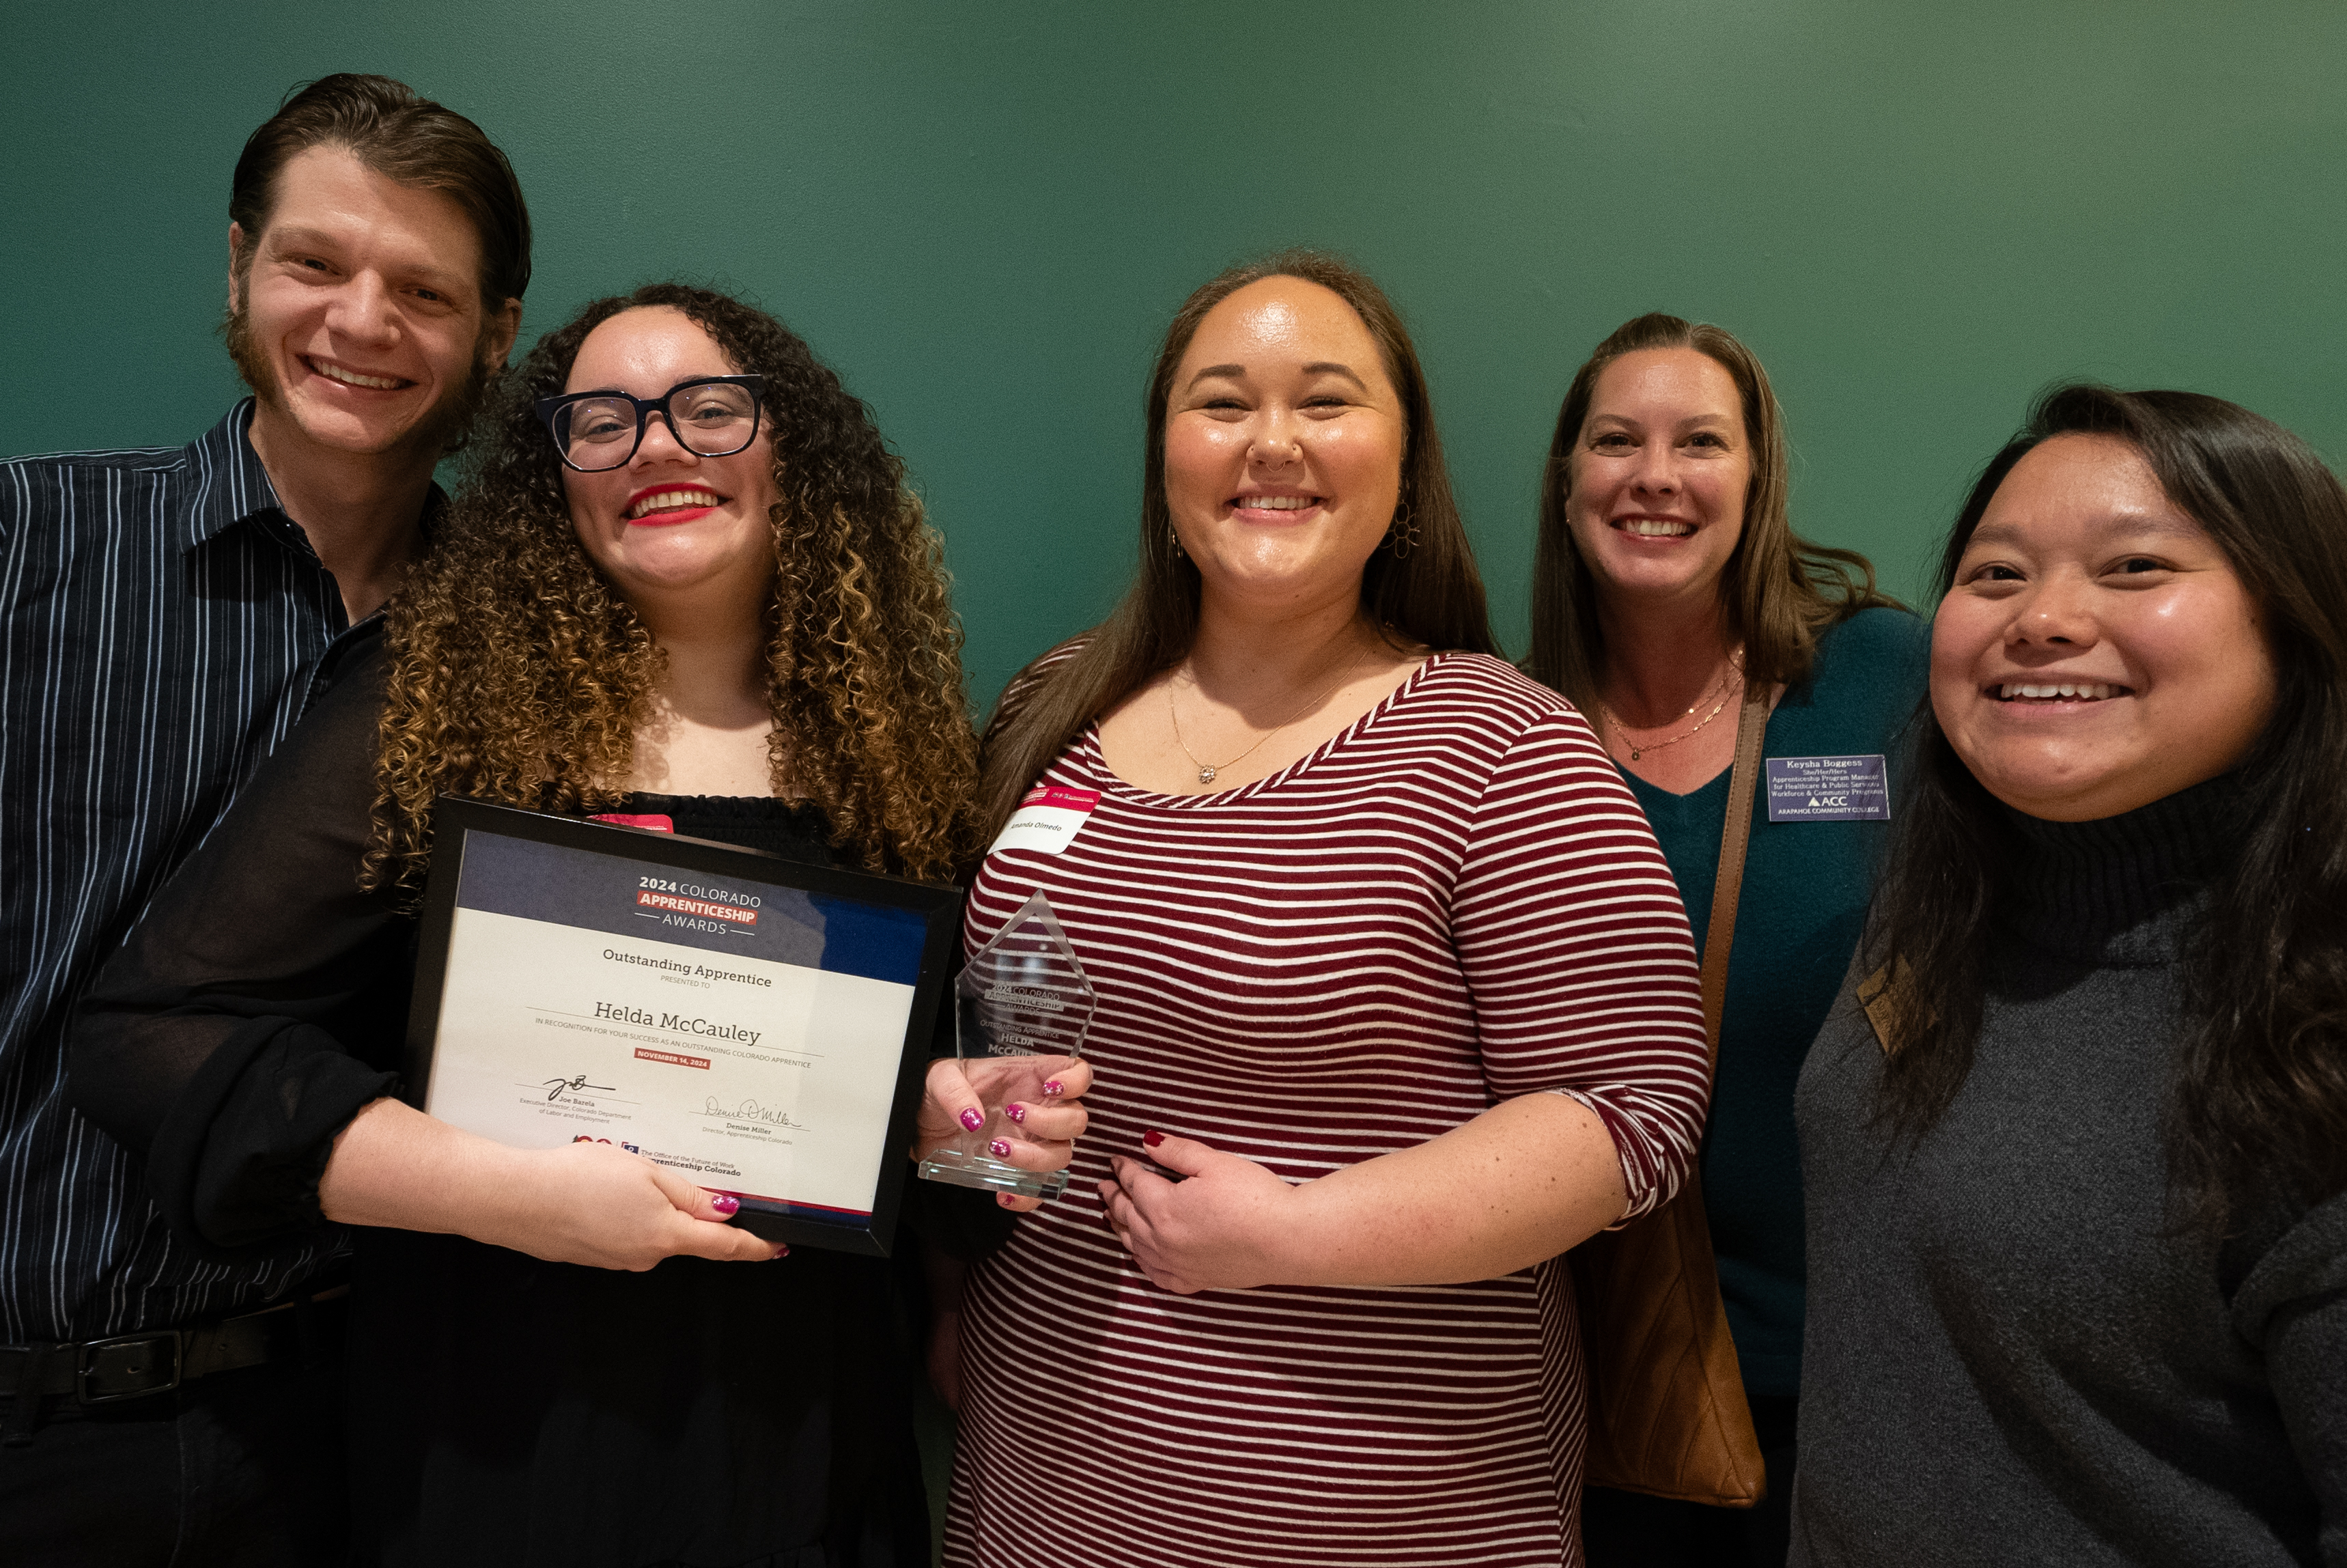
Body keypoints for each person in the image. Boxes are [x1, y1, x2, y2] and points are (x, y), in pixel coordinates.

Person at [70, 283, 1088, 1565]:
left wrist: (970, 1130)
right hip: (501, 1423)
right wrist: (507, 1196)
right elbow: (146, 1036)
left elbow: (919, 1144)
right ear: (556, 482)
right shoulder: (439, 718)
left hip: (802, 1428)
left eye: (709, 410)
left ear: (797, 455)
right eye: (599, 422)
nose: (655, 445)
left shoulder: (889, 759)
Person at [941, 251, 1713, 1568]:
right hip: (1043, 1483)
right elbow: (1003, 1029)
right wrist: (968, 1146)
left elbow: (1631, 1115)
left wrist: (1302, 1234)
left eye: (1328, 402)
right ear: (1165, 452)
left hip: (1385, 1508)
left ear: (1403, 464)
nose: (1272, 443)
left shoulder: (1503, 744)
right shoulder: (1050, 705)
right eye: (1224, 403)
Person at [0, 73, 526, 1565]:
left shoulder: (533, 645)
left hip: (347, 1429)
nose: (363, 321)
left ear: (493, 334)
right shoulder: (27, 544)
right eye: (316, 263)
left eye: (424, 289)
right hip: (27, 1427)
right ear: (239, 269)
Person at [1793, 385, 2347, 1565]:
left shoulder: (2316, 1023)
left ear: (2294, 628)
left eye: (2134, 567)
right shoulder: (1935, 896)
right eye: (1994, 575)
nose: (2041, 619)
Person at [1523, 313, 1920, 1565]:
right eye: (1614, 441)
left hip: (1856, 1377)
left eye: (1700, 440)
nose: (1654, 475)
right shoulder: (1500, 724)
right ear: (1567, 480)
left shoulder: (1884, 677)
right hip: (1571, 1374)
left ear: (1755, 479)